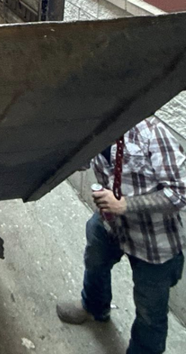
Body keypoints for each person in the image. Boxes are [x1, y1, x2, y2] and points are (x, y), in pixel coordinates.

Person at [57, 117, 186, 354]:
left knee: (150, 312)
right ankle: (94, 306)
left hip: (154, 240)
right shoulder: (98, 127)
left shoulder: (152, 133)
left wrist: (126, 204)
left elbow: (180, 192)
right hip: (111, 224)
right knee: (94, 256)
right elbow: (86, 160)